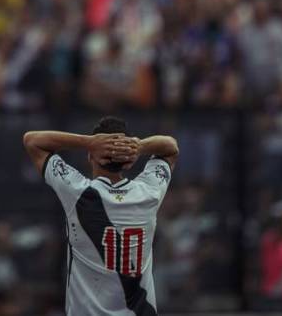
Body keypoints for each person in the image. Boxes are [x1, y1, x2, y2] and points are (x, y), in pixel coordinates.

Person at [22, 116, 179, 315]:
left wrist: (88, 142)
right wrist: (137, 146)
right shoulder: (149, 193)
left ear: (90, 156)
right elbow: (171, 147)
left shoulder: (77, 192)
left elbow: (32, 140)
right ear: (129, 162)